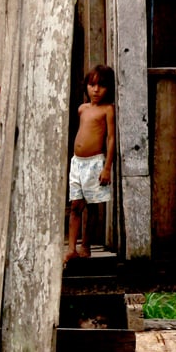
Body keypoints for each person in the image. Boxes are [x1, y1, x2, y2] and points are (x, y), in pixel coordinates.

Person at [64, 65, 116, 264]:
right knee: (75, 205)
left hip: (95, 164)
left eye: (101, 86)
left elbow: (110, 139)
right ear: (86, 86)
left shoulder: (107, 110)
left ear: (108, 88)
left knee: (92, 207)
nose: (95, 90)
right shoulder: (82, 109)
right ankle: (71, 248)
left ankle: (85, 246)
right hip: (77, 163)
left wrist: (107, 167)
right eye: (92, 85)